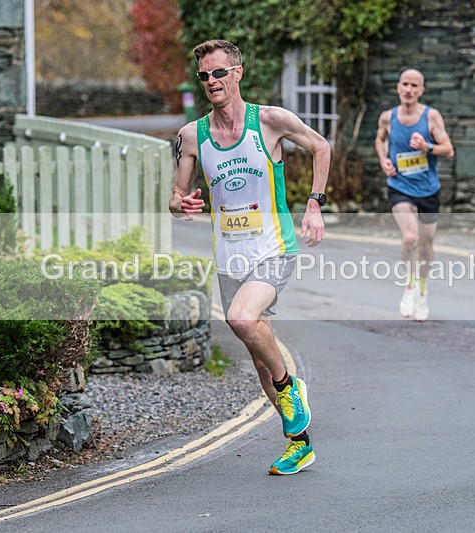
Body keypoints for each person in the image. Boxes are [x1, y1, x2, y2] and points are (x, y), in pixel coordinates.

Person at [169, 39, 330, 475]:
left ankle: (289, 386)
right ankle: (300, 443)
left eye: (218, 73)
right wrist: (180, 204)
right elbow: (176, 196)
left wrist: (314, 203)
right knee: (259, 358)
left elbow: (321, 147)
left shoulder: (271, 121)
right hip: (230, 258)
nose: (211, 82)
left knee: (241, 319)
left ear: (237, 73)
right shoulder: (192, 136)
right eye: (204, 76)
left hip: (274, 247)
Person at [374, 68, 454, 321]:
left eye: (414, 86)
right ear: (398, 87)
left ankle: (422, 290)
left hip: (428, 189)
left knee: (426, 244)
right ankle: (408, 287)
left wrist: (427, 146)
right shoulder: (388, 117)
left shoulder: (431, 117)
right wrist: (383, 160)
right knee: (410, 237)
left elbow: (448, 150)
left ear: (421, 91)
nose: (409, 89)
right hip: (400, 186)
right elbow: (379, 140)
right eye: (405, 84)